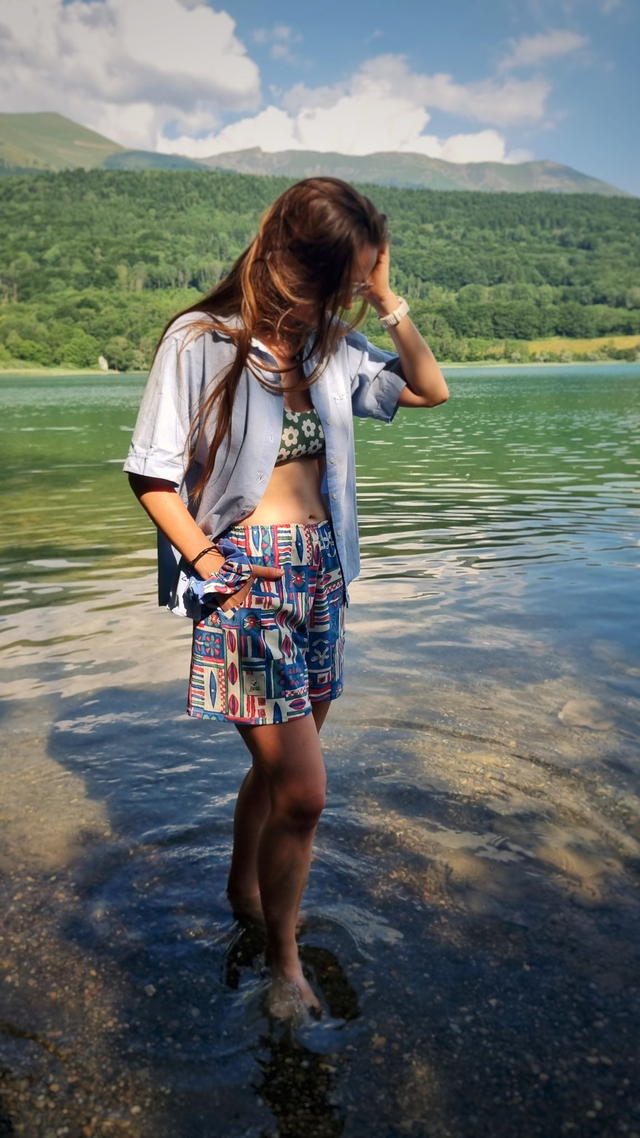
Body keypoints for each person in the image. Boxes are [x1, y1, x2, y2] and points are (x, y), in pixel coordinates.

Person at [124, 176, 449, 1018]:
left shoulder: (330, 346)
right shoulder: (201, 342)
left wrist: (388, 301)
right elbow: (152, 475)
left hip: (321, 573)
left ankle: (244, 893)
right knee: (304, 791)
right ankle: (284, 961)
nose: (347, 297)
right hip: (245, 578)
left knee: (277, 776)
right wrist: (212, 566)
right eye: (342, 281)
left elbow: (427, 388)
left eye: (358, 281)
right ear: (290, 265)